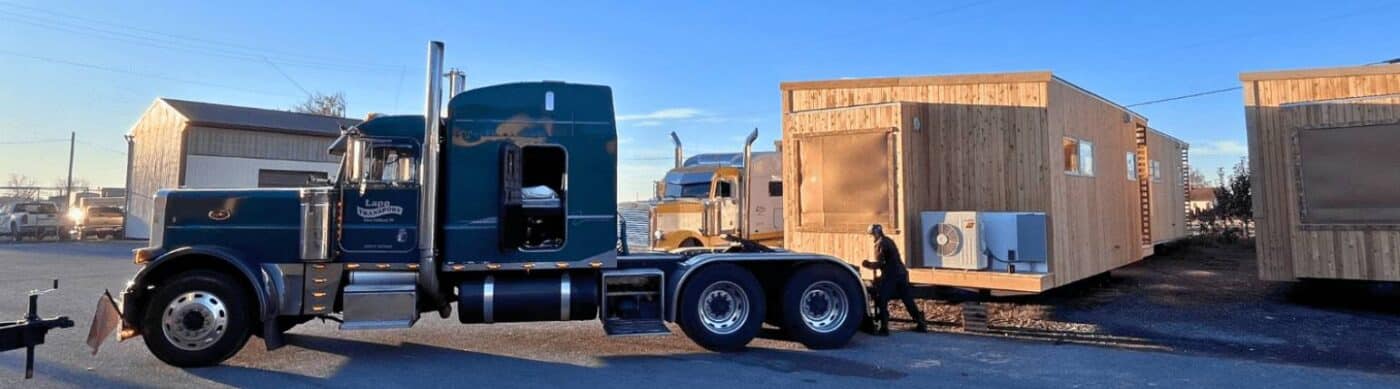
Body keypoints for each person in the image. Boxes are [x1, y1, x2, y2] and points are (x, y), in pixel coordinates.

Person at [861, 224, 928, 335]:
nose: (872, 237)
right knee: (907, 300)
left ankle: (884, 328)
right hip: (901, 273)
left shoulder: (880, 243)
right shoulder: (888, 240)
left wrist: (867, 264)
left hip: (891, 276)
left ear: (876, 233)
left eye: (872, 235)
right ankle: (920, 323)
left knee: (882, 299)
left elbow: (881, 263)